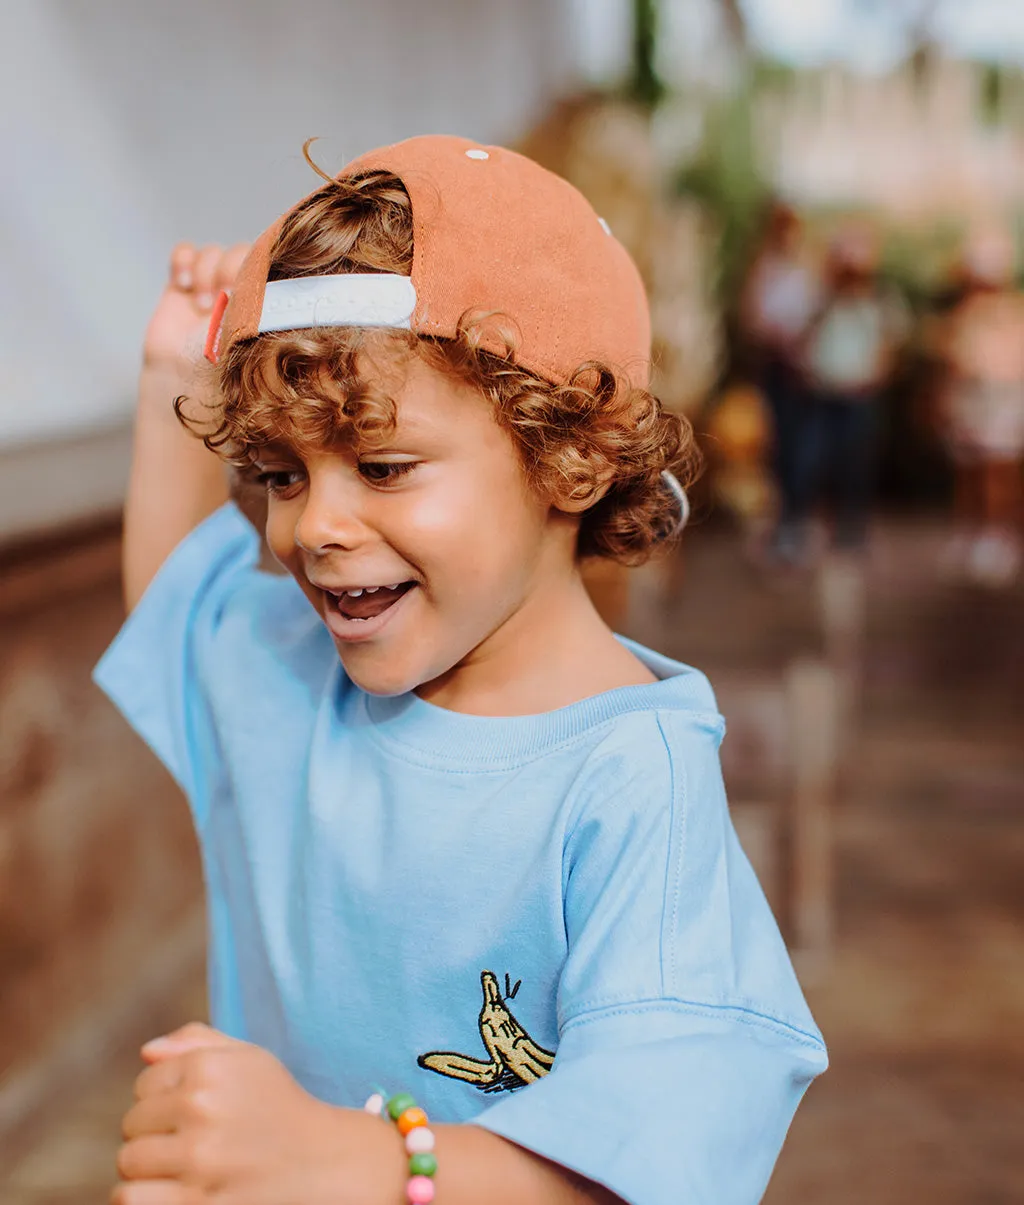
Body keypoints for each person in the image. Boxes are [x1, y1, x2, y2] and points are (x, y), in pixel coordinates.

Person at [97, 135, 826, 1205]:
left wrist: (346, 1161)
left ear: (569, 455)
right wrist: (172, 375)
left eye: (384, 465)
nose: (317, 526)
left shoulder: (632, 779)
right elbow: (177, 598)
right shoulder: (296, 681)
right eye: (282, 475)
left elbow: (663, 1149)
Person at [790, 222, 908, 557]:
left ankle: (851, 529)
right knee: (813, 461)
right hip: (823, 393)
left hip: (859, 396)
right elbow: (803, 336)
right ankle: (809, 526)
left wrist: (876, 374)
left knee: (855, 465)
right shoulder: (822, 300)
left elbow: (891, 345)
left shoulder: (880, 300)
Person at [935, 227, 1024, 586]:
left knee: (998, 472)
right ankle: (972, 534)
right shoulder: (964, 312)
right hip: (971, 399)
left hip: (999, 398)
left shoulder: (1010, 312)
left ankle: (998, 538)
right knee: (970, 471)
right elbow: (953, 357)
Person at [739, 202, 821, 559]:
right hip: (776, 366)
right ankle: (781, 522)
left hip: (800, 371)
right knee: (776, 445)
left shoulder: (806, 271)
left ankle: (795, 519)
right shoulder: (765, 270)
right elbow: (752, 317)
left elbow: (816, 315)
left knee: (799, 448)